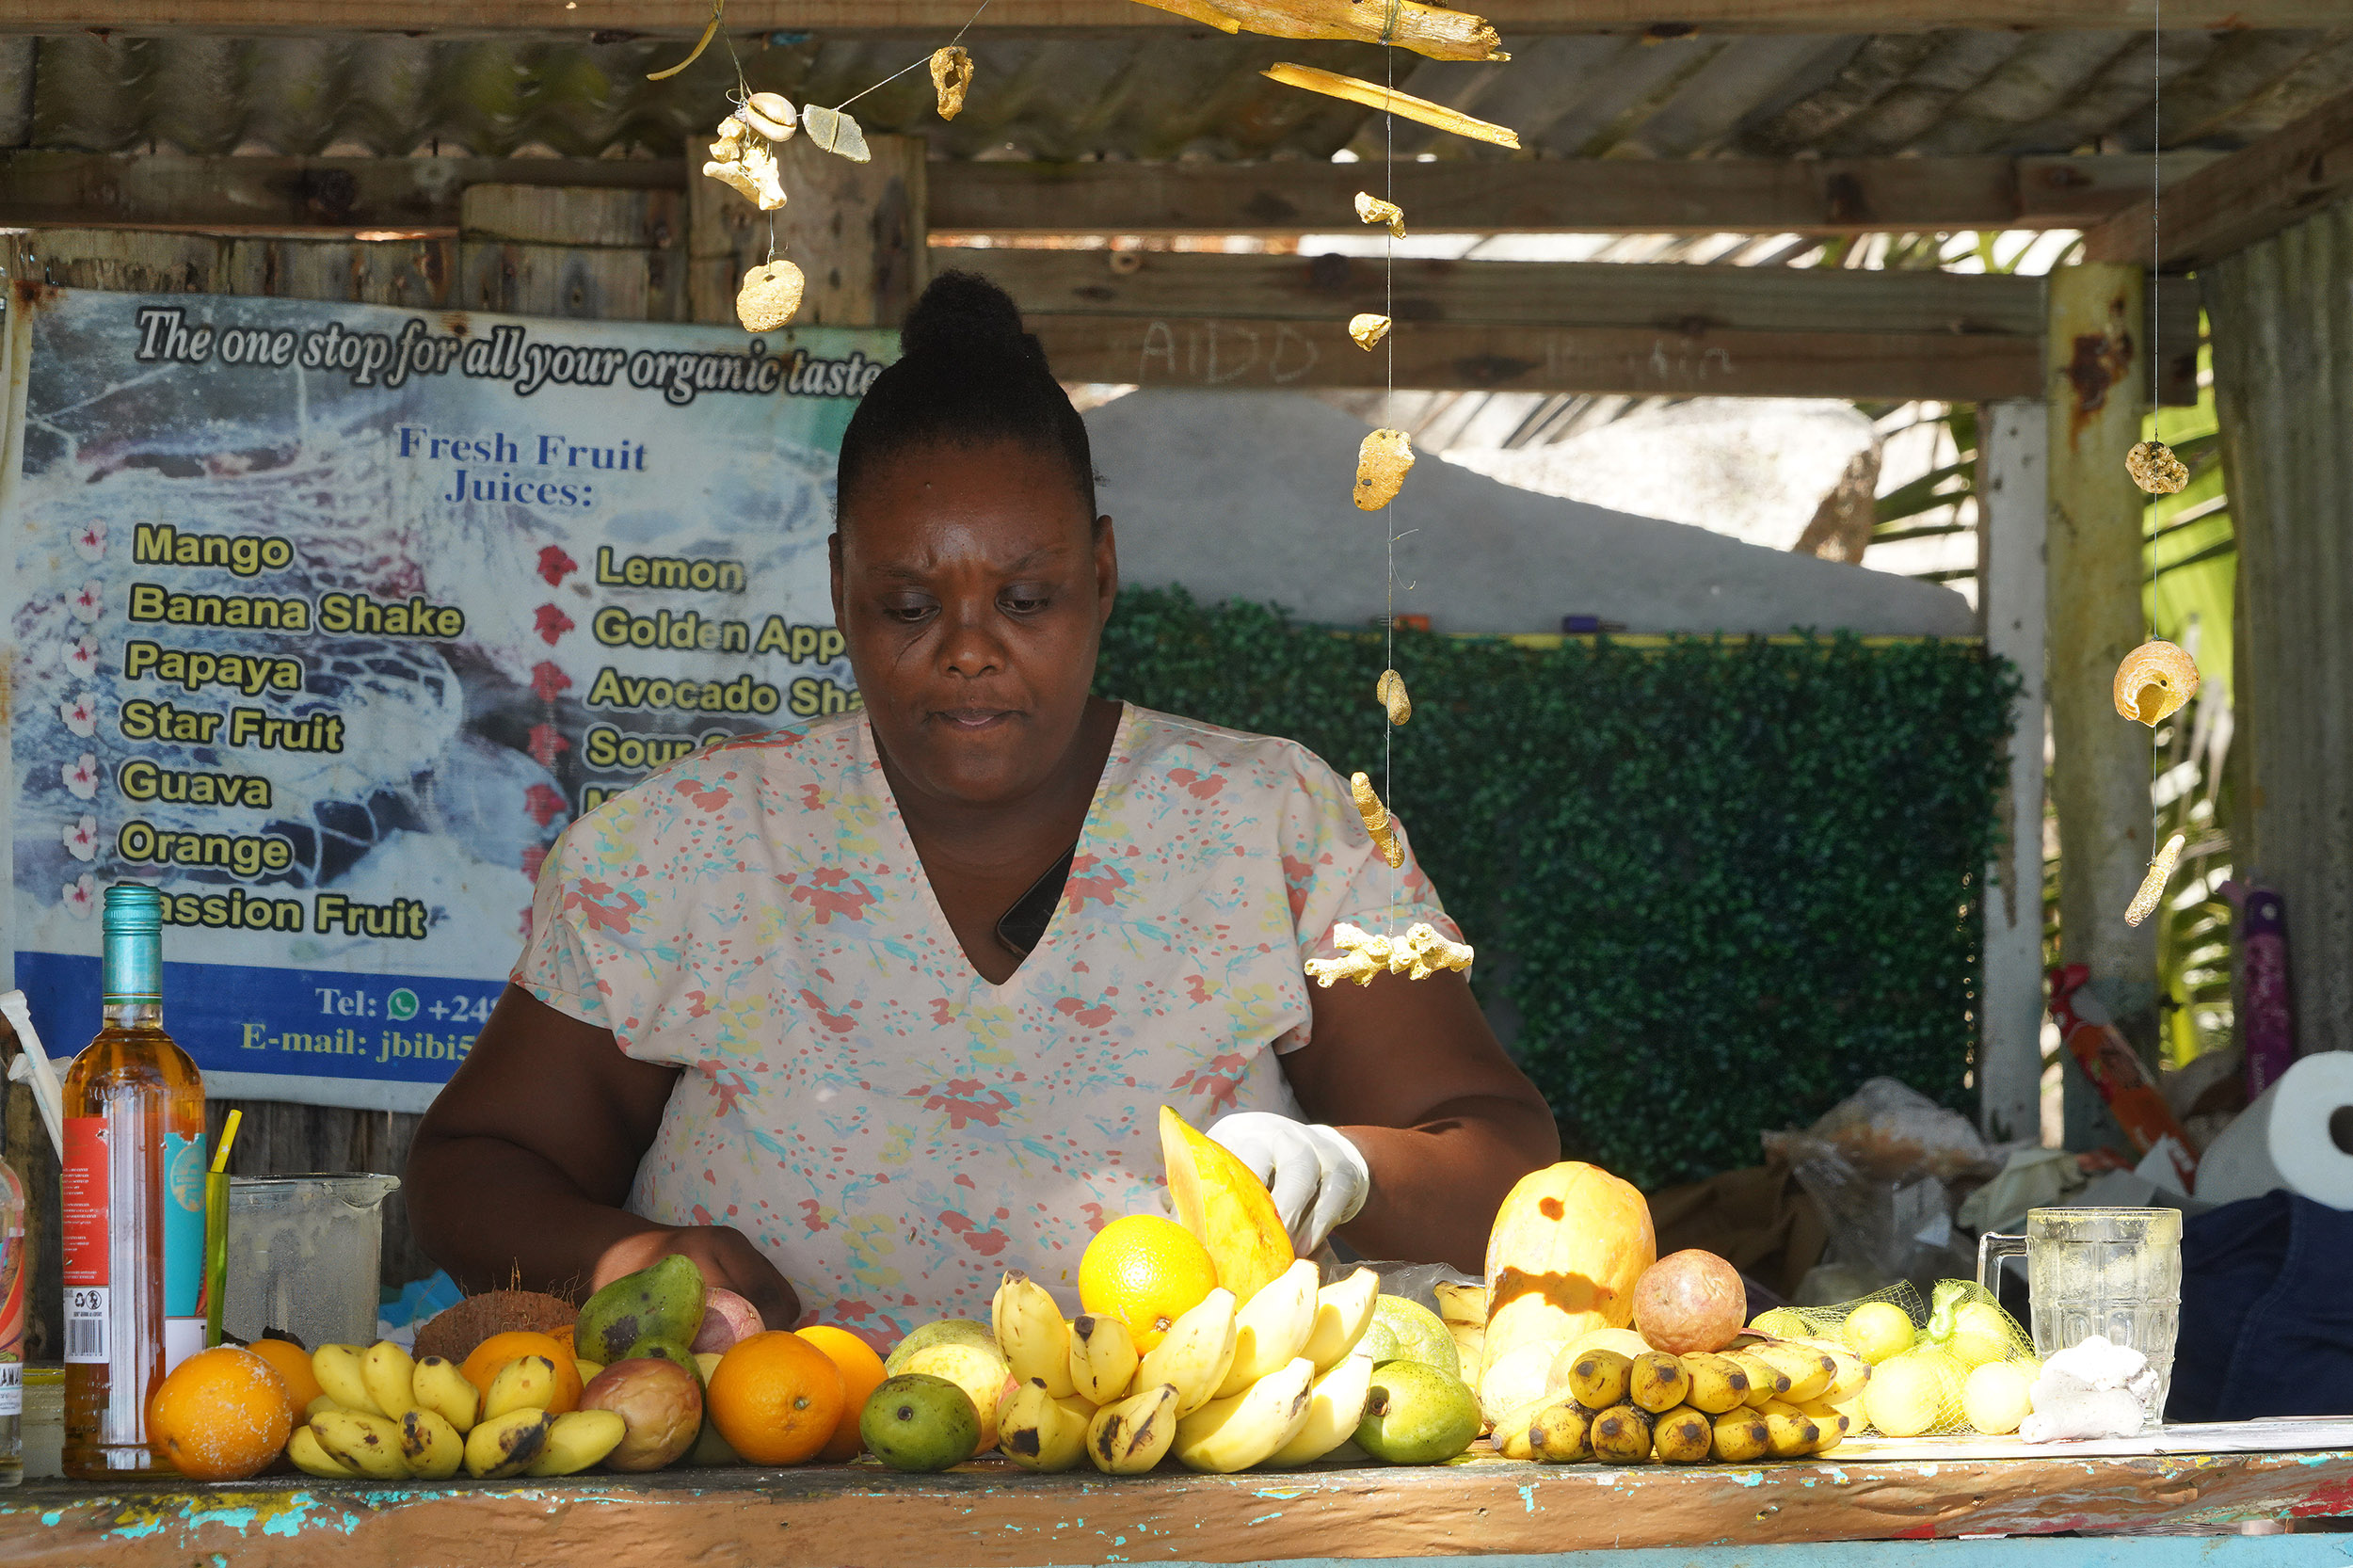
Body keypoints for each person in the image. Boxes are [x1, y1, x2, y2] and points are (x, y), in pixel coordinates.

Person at [407, 272, 1559, 1340]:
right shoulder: (677, 853)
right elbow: (475, 1162)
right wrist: (627, 1255)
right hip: (761, 1508)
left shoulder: (1278, 825)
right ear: (839, 592)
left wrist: (1342, 1167)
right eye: (908, 604)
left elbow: (1502, 1159)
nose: (967, 652)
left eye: (1025, 597)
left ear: (1101, 576)